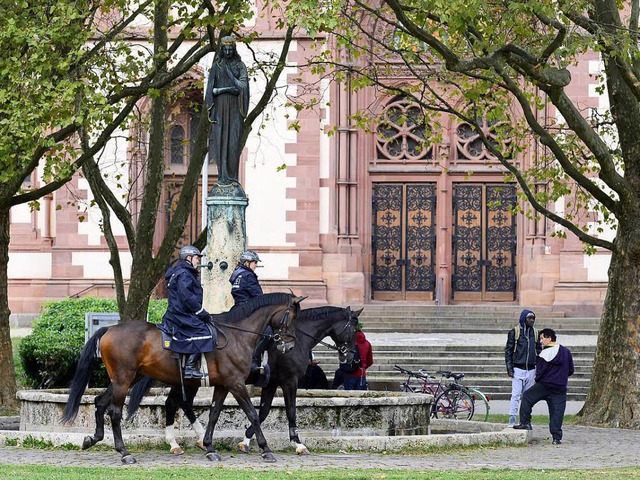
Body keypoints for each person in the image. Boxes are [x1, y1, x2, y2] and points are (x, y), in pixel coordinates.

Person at [161, 245, 214, 379]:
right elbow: (187, 297)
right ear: (188, 258)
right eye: (197, 258)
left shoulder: (182, 271)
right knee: (204, 333)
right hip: (181, 315)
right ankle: (190, 368)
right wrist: (202, 313)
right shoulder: (184, 273)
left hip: (179, 312)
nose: (198, 261)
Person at [514, 328, 574, 445]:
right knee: (557, 412)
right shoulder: (566, 352)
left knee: (527, 397)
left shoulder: (544, 353)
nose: (541, 341)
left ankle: (525, 422)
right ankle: (556, 438)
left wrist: (538, 380)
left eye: (542, 338)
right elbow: (571, 370)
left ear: (549, 338)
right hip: (560, 387)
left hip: (545, 385)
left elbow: (540, 372)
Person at [205, 35, 250, 185]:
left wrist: (231, 76)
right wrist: (226, 89)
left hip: (235, 110)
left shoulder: (240, 66)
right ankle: (222, 177)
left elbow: (243, 87)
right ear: (222, 50)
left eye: (231, 49)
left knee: (233, 143)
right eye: (226, 49)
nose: (229, 51)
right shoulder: (217, 66)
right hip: (220, 110)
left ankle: (232, 178)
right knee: (220, 143)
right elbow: (210, 90)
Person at [229, 250, 267, 373]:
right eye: (254, 262)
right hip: (248, 310)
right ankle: (254, 360)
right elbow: (258, 296)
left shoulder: (237, 274)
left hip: (237, 308)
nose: (256, 265)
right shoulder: (248, 275)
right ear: (247, 262)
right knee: (268, 333)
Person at [504, 309, 540, 426]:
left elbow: (539, 351)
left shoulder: (535, 333)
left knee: (528, 397)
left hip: (531, 369)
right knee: (516, 395)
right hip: (518, 368)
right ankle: (512, 418)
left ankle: (525, 420)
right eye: (529, 318)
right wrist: (509, 368)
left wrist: (538, 368)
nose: (531, 320)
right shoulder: (515, 332)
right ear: (524, 318)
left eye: (533, 318)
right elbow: (508, 351)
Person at [343, 322, 373, 390]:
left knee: (348, 397)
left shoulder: (348, 342)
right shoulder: (367, 343)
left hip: (349, 373)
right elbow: (370, 361)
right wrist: (364, 366)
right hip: (362, 373)